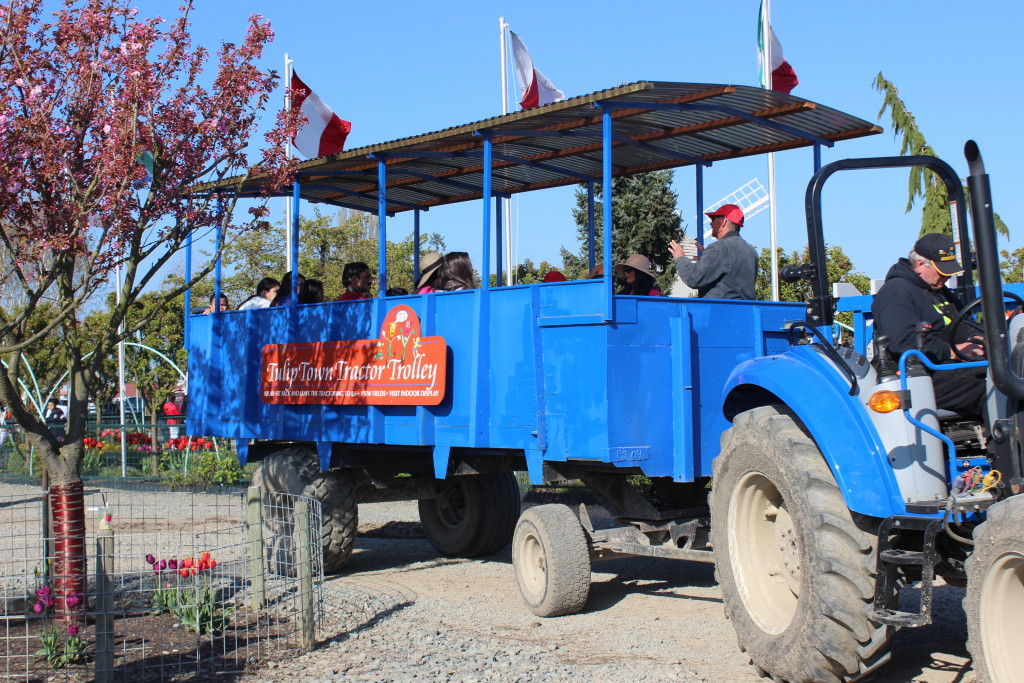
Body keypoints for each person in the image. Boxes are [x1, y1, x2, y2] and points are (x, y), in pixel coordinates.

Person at [871, 232, 985, 418]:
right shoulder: (896, 292)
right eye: (942, 271)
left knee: (1007, 372)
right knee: (990, 382)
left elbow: (961, 322)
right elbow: (902, 342)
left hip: (944, 367)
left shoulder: (937, 290)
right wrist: (954, 352)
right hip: (917, 373)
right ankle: (1002, 441)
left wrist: (982, 338)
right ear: (920, 264)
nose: (946, 277)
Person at [668, 203, 757, 300]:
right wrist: (708, 259)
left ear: (724, 221)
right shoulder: (751, 251)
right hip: (746, 313)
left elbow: (693, 278)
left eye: (713, 219)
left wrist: (681, 258)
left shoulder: (719, 248)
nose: (710, 223)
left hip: (720, 312)